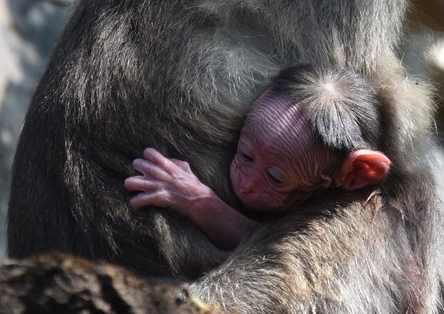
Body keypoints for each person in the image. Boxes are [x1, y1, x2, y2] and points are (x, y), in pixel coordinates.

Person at [126, 64, 391, 250]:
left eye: (274, 177)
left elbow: (266, 249)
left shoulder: (343, 215)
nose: (247, 184)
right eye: (245, 154)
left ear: (357, 173)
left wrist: (197, 199)